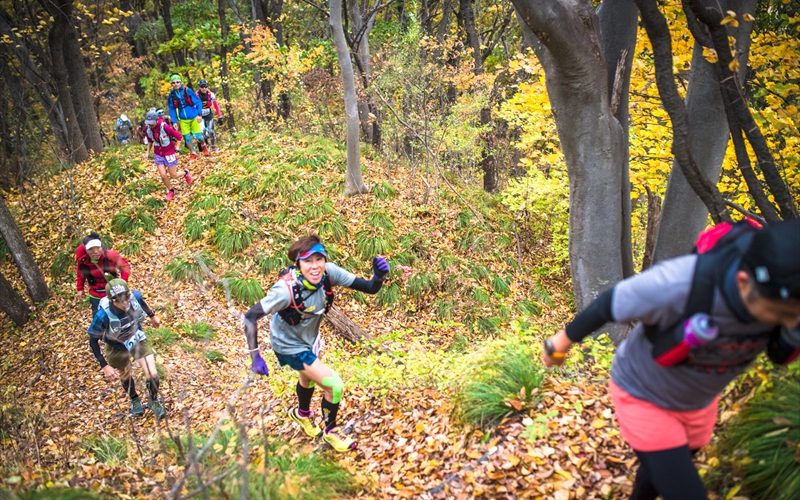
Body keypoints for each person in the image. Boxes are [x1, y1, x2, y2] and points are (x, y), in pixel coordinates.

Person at [541, 219, 800, 500]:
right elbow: (609, 303)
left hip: (698, 402)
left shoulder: (788, 303)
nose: (790, 322)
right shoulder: (679, 284)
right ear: (744, 282)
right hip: (643, 392)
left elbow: (779, 354)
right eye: (781, 315)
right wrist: (559, 343)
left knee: (664, 469)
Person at [242, 234, 391, 452]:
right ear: (298, 264)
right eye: (308, 261)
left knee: (307, 377)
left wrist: (378, 277)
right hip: (287, 346)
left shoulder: (329, 273)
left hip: (310, 338)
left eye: (319, 259)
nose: (315, 266)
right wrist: (255, 356)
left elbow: (369, 288)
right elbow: (250, 316)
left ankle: (301, 414)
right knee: (334, 385)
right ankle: (331, 432)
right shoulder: (284, 291)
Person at [87, 279, 167, 420]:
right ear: (112, 301)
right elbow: (92, 339)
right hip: (116, 346)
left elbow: (142, 302)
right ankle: (134, 400)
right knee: (125, 374)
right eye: (119, 301)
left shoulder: (135, 297)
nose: (125, 303)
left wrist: (152, 316)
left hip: (137, 338)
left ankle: (153, 400)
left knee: (153, 375)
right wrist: (104, 365)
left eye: (126, 298)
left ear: (129, 294)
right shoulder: (102, 316)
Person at [143, 109, 193, 201]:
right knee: (163, 175)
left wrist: (177, 150)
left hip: (169, 152)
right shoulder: (148, 129)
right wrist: (147, 152)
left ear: (156, 120)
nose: (150, 125)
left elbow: (179, 137)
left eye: (152, 123)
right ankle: (171, 190)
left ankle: (185, 173)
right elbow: (150, 141)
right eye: (148, 123)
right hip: (158, 153)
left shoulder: (164, 127)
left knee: (174, 175)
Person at [76, 233, 131, 315]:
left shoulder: (111, 256)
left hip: (114, 292)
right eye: (91, 249)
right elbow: (80, 273)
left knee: (121, 316)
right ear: (86, 251)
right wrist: (80, 288)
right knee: (99, 319)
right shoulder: (83, 261)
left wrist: (123, 281)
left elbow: (125, 266)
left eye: (98, 248)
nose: (95, 252)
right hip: (95, 295)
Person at [166, 74, 207, 158]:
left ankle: (204, 145)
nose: (176, 84)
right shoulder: (171, 95)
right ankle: (193, 153)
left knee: (199, 137)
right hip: (182, 119)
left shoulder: (187, 90)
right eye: (173, 83)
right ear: (171, 84)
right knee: (187, 138)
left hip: (193, 116)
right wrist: (174, 121)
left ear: (180, 82)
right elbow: (172, 109)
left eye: (177, 82)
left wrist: (199, 114)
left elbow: (198, 102)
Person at [196, 79, 222, 152]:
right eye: (202, 86)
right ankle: (204, 147)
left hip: (208, 114)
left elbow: (216, 105)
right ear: (199, 87)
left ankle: (214, 147)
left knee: (211, 131)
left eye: (205, 86)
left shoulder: (211, 94)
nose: (204, 88)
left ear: (207, 86)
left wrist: (220, 116)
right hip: (200, 116)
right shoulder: (196, 96)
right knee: (203, 132)